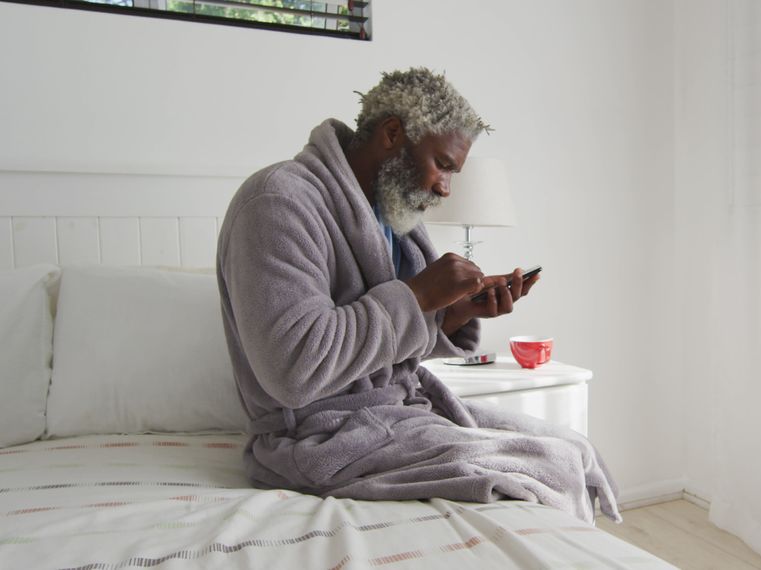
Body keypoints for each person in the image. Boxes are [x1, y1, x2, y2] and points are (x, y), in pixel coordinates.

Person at [216, 68, 619, 523]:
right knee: (551, 467)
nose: (444, 188)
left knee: (575, 448)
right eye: (443, 165)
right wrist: (419, 295)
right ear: (392, 134)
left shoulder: (390, 215)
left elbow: (391, 345)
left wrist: (451, 314)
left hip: (397, 410)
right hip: (317, 435)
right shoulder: (276, 202)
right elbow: (291, 369)